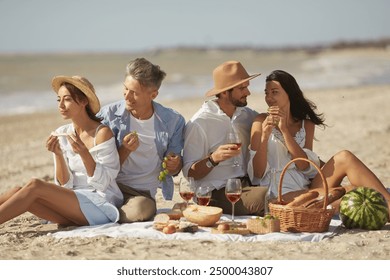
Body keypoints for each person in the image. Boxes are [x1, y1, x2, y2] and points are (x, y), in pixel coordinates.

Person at [248, 69, 390, 213]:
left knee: (345, 157)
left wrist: (284, 130)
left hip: (305, 187)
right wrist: (265, 136)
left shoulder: (307, 125)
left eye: (274, 92)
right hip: (279, 192)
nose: (269, 98)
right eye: (266, 93)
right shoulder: (260, 121)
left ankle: (388, 203)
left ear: (289, 93)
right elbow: (257, 174)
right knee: (353, 191)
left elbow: (303, 165)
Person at [0, 75, 123, 226]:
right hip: (70, 207)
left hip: (98, 206)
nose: (61, 105)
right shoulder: (62, 132)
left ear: (84, 101)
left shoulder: (102, 133)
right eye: (59, 100)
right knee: (17, 191)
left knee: (35, 185)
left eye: (67, 99)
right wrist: (58, 154)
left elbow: (103, 182)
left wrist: (84, 154)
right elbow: (64, 185)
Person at [98, 58, 185, 223]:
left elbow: (173, 169)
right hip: (110, 187)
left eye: (134, 92)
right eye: (125, 89)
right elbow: (99, 164)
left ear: (153, 95)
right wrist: (124, 149)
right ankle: (106, 212)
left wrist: (175, 165)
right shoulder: (108, 115)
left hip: (141, 195)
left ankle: (105, 214)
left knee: (140, 210)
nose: (127, 97)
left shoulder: (173, 121)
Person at [183, 60, 267, 216]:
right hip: (215, 193)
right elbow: (189, 173)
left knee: (284, 190)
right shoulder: (199, 123)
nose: (247, 92)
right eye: (242, 88)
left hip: (246, 186)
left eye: (247, 87)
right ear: (224, 92)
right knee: (266, 197)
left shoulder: (247, 116)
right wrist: (213, 158)